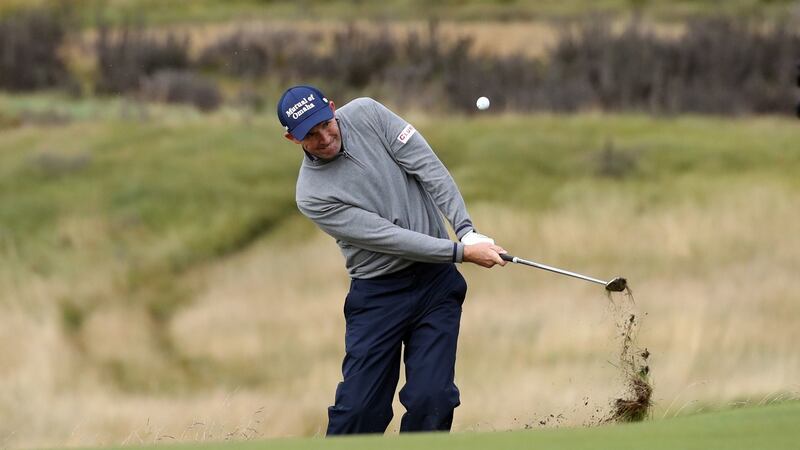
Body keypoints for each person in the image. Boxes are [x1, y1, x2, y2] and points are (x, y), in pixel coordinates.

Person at [277, 85, 506, 435]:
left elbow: (428, 167)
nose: (324, 137)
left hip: (435, 286)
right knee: (359, 412)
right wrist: (461, 252)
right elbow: (389, 238)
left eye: (326, 124)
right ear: (292, 138)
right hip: (378, 297)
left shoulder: (368, 113)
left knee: (433, 400)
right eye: (310, 134)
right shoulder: (311, 195)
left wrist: (466, 230)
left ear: (333, 108)